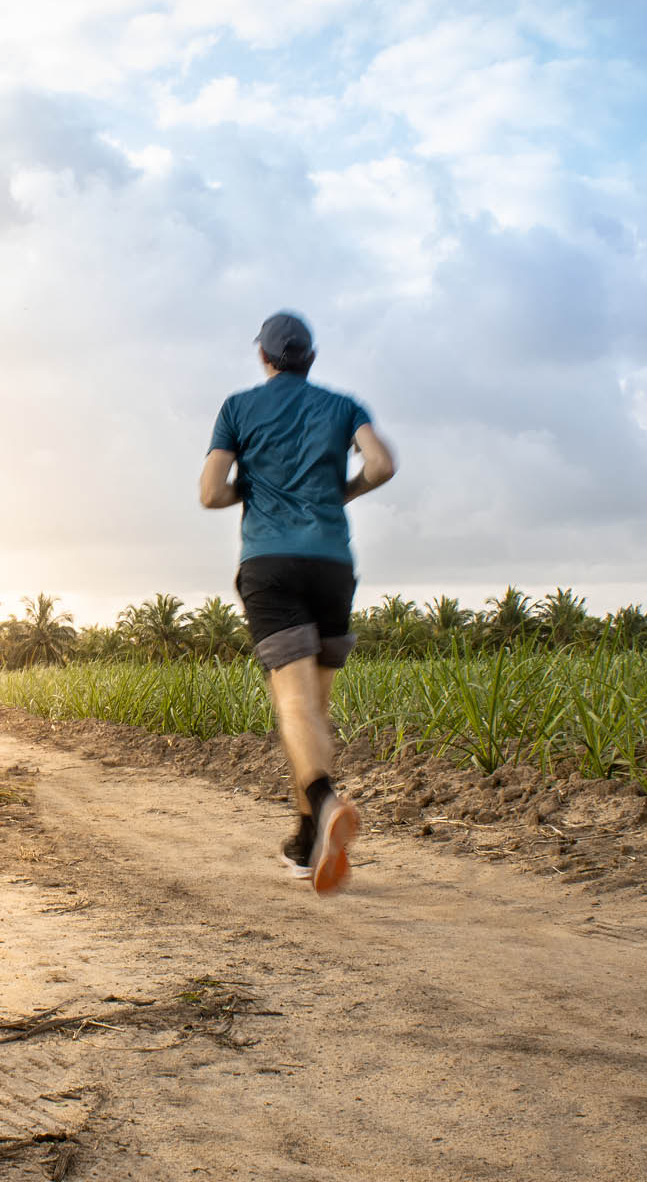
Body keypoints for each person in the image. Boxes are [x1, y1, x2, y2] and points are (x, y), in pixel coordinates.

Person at [199, 311, 395, 896]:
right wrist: (344, 490)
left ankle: (324, 799)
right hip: (333, 565)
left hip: (272, 564)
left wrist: (250, 490)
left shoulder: (239, 407)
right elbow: (381, 464)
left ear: (264, 357)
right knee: (314, 709)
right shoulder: (343, 406)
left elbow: (210, 492)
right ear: (311, 357)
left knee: (293, 706)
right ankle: (308, 840)